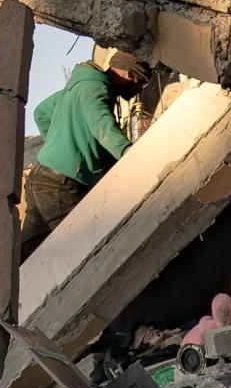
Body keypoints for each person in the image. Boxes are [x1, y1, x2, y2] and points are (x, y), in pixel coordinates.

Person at [21, 46, 153, 248]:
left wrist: (62, 145)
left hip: (42, 175)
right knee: (80, 248)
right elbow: (103, 128)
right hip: (62, 183)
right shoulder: (97, 89)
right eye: (141, 84)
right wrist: (133, 157)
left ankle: (6, 280)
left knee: (30, 251)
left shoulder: (80, 85)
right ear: (129, 74)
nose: (139, 91)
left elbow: (42, 112)